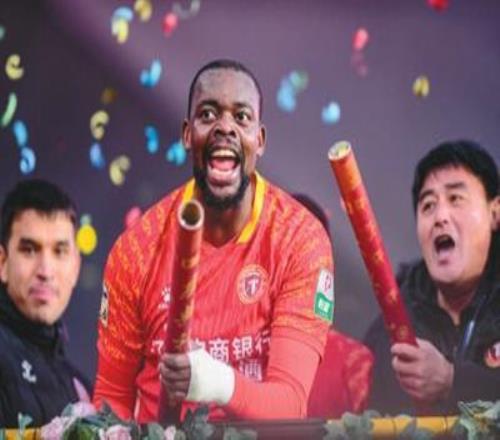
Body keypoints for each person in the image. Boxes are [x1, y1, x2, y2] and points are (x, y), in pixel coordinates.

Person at [93, 59, 335, 422]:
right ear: (187, 134)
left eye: (242, 117)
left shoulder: (300, 239)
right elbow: (111, 399)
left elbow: (290, 406)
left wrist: (219, 383)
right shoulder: (135, 251)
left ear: (260, 140)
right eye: (208, 115)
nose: (225, 127)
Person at [365, 140, 500, 415]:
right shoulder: (388, 329)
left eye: (456, 198)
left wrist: (452, 381)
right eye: (428, 205)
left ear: (495, 213)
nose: (440, 217)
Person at [0, 179, 89, 427]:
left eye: (59, 251)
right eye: (29, 250)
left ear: (75, 267)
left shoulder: (81, 390)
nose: (46, 271)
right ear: (2, 263)